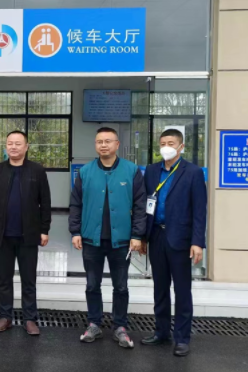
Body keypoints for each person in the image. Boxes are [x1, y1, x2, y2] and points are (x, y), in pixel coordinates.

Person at [69, 127, 146, 349]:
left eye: (108, 141)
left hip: (121, 241)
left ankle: (120, 326)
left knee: (120, 286)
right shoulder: (85, 172)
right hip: (91, 239)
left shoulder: (131, 171)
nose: (103, 145)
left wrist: (137, 234)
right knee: (92, 284)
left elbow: (140, 205)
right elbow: (75, 204)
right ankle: (94, 323)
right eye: (99, 141)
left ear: (117, 144)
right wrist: (75, 231)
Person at [140, 129, 207, 357]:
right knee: (160, 288)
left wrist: (197, 242)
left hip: (181, 239)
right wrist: (142, 236)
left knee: (182, 290)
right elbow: (145, 204)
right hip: (156, 235)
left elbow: (199, 210)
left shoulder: (193, 172)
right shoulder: (151, 171)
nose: (166, 147)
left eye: (171, 143)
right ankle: (161, 332)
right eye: (162, 143)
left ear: (181, 147)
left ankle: (182, 338)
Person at [0, 130, 51, 336]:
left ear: (26, 146)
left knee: (28, 280)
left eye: (18, 143)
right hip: (3, 235)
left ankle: (30, 319)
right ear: (6, 146)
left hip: (28, 235)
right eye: (10, 143)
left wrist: (44, 229)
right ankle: (5, 316)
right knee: (4, 279)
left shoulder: (37, 171)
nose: (13, 147)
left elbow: (45, 202)